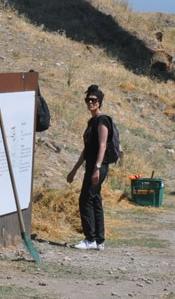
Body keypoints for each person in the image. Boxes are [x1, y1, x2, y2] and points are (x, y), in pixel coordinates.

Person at [66, 84, 111, 251]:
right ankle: (99, 241)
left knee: (85, 199)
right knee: (95, 199)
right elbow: (87, 149)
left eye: (94, 100)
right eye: (88, 100)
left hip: (98, 165)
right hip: (92, 164)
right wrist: (75, 169)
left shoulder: (102, 120)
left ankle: (90, 238)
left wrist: (97, 168)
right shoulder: (92, 121)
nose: (90, 103)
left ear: (99, 102)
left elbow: (102, 145)